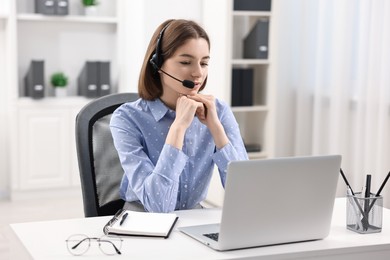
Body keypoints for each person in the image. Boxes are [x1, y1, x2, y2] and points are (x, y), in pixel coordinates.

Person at [110, 19, 248, 213]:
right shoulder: (126, 118)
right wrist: (178, 127)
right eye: (185, 62)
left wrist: (216, 129)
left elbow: (246, 193)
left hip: (193, 216)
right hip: (142, 218)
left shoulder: (218, 111)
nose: (198, 73)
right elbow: (159, 207)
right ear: (157, 63)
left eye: (204, 62)